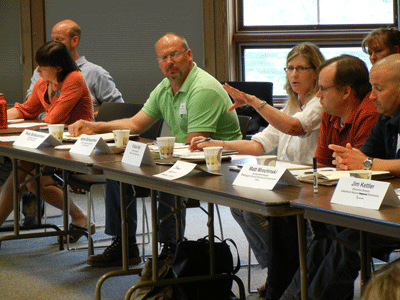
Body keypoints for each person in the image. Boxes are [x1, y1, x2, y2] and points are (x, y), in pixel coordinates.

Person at [68, 33, 242, 267]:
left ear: (189, 55)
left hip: (218, 166)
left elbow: (193, 144)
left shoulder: (203, 89)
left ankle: (171, 247)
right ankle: (125, 244)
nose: (169, 62)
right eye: (163, 58)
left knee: (166, 174)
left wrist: (148, 148)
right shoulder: (165, 87)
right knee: (116, 172)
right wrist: (95, 126)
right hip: (183, 157)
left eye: (175, 55)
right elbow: (135, 124)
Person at [190, 42, 325, 299]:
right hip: (288, 180)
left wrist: (254, 102)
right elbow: (258, 143)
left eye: (301, 68)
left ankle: (288, 270)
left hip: (311, 183)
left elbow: (295, 127)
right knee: (241, 206)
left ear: (316, 72)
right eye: (290, 68)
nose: (294, 74)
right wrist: (218, 144)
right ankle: (279, 269)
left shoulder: (319, 102)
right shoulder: (291, 104)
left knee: (255, 212)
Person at [279, 55, 382, 300]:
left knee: (345, 231)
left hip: (372, 206)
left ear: (346, 91)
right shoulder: (330, 112)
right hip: (354, 198)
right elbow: (324, 165)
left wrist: (361, 165)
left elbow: (359, 169)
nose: (318, 95)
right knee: (325, 228)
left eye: (323, 89)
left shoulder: (371, 112)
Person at [21, 19, 125, 225]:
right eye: (52, 39)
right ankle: (71, 217)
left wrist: (94, 117)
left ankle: (69, 217)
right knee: (22, 170)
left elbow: (119, 108)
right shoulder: (43, 75)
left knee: (24, 170)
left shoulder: (91, 73)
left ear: (74, 41)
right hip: (50, 139)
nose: (55, 43)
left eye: (59, 40)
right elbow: (29, 107)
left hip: (79, 146)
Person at [0, 41, 94, 236]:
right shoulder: (44, 83)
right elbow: (25, 109)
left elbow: (54, 119)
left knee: (22, 166)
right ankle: (80, 218)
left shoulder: (74, 79)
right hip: (53, 144)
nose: (38, 70)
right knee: (33, 182)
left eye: (42, 67)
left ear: (58, 68)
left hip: (79, 147)